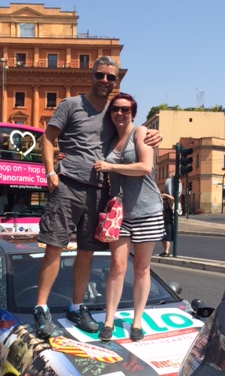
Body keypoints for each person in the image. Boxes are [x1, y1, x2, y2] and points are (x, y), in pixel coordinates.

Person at [33, 56, 162, 339]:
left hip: (98, 191)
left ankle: (76, 307)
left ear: (116, 81)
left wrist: (153, 134)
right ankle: (41, 309)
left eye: (110, 78)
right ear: (91, 76)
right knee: (55, 245)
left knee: (86, 251)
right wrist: (50, 173)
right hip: (67, 184)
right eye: (100, 75)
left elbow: (132, 133)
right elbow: (47, 137)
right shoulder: (71, 105)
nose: (105, 81)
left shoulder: (112, 113)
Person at [94, 93, 164, 342]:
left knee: (142, 268)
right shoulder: (110, 139)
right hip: (118, 213)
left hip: (147, 210)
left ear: (132, 112)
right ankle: (109, 321)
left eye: (125, 109)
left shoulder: (141, 132)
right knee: (117, 266)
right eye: (115, 109)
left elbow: (145, 167)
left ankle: (136, 321)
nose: (120, 113)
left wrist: (111, 167)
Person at [160, 192, 175, 257]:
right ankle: (165, 250)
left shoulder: (169, 204)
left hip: (168, 223)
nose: (163, 200)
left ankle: (167, 251)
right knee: (162, 238)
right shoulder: (160, 205)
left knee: (167, 238)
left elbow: (172, 199)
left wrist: (165, 195)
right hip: (161, 223)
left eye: (164, 199)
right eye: (162, 199)